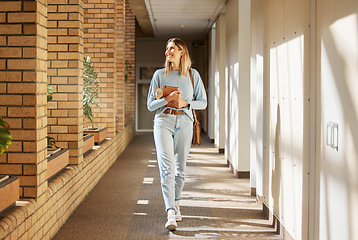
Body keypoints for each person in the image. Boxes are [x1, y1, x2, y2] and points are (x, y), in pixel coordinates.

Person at [147, 38, 207, 231]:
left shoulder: (192, 75)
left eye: (172, 48)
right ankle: (170, 211)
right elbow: (150, 105)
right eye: (166, 49)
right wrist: (168, 100)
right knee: (167, 167)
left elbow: (203, 102)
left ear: (182, 52)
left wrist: (186, 104)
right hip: (163, 122)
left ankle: (177, 202)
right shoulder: (159, 75)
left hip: (185, 122)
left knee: (180, 168)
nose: (168, 52)